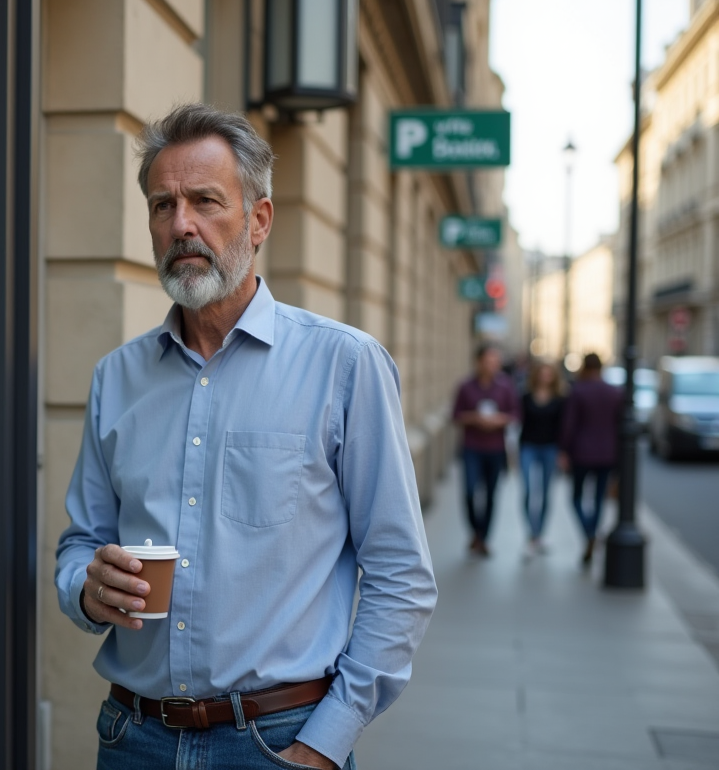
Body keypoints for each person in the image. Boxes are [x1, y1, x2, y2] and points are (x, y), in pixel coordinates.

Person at [54, 103, 436, 770]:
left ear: (258, 220)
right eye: (162, 205)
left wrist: (326, 742)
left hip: (277, 740)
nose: (182, 225)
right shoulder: (116, 377)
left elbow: (401, 575)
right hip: (133, 739)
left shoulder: (344, 366)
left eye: (205, 201)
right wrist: (86, 587)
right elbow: (81, 542)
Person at [452, 345, 518, 557]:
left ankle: (483, 538)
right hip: (472, 447)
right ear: (479, 362)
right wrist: (474, 418)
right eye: (489, 361)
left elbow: (515, 414)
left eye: (495, 362)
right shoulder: (465, 386)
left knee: (490, 495)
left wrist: (500, 420)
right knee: (470, 492)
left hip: (495, 448)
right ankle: (475, 531)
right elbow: (456, 416)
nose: (493, 366)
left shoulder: (505, 386)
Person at [559, 353, 623, 565]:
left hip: (582, 453)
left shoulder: (578, 391)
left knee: (576, 497)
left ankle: (588, 533)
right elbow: (620, 425)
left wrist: (563, 450)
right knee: (598, 499)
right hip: (607, 453)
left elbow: (569, 424)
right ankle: (592, 532)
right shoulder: (614, 392)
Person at [518, 361, 565, 557]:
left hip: (550, 448)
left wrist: (563, 452)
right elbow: (518, 423)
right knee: (528, 490)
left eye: (549, 374)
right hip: (528, 446)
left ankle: (539, 533)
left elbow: (564, 428)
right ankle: (532, 532)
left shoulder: (561, 399)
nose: (545, 377)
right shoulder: (525, 396)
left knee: (545, 492)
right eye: (542, 373)